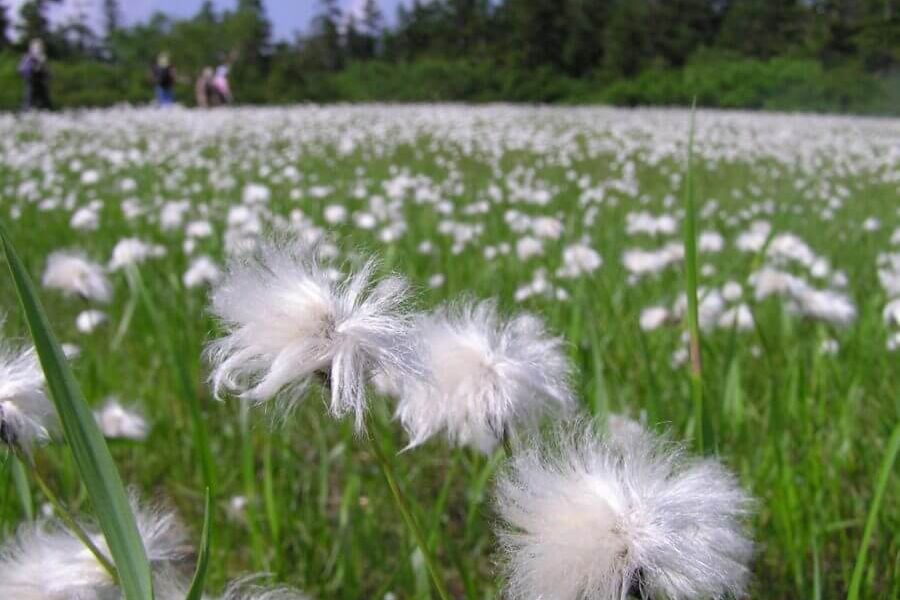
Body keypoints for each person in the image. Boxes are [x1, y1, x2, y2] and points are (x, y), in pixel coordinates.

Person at [18, 39, 51, 111]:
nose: (38, 49)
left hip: (41, 83)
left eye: (40, 48)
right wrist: (33, 69)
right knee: (29, 98)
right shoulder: (27, 58)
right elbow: (22, 69)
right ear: (31, 48)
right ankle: (26, 111)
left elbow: (48, 72)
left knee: (44, 99)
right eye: (36, 47)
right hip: (31, 81)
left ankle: (45, 111)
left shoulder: (43, 58)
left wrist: (43, 66)